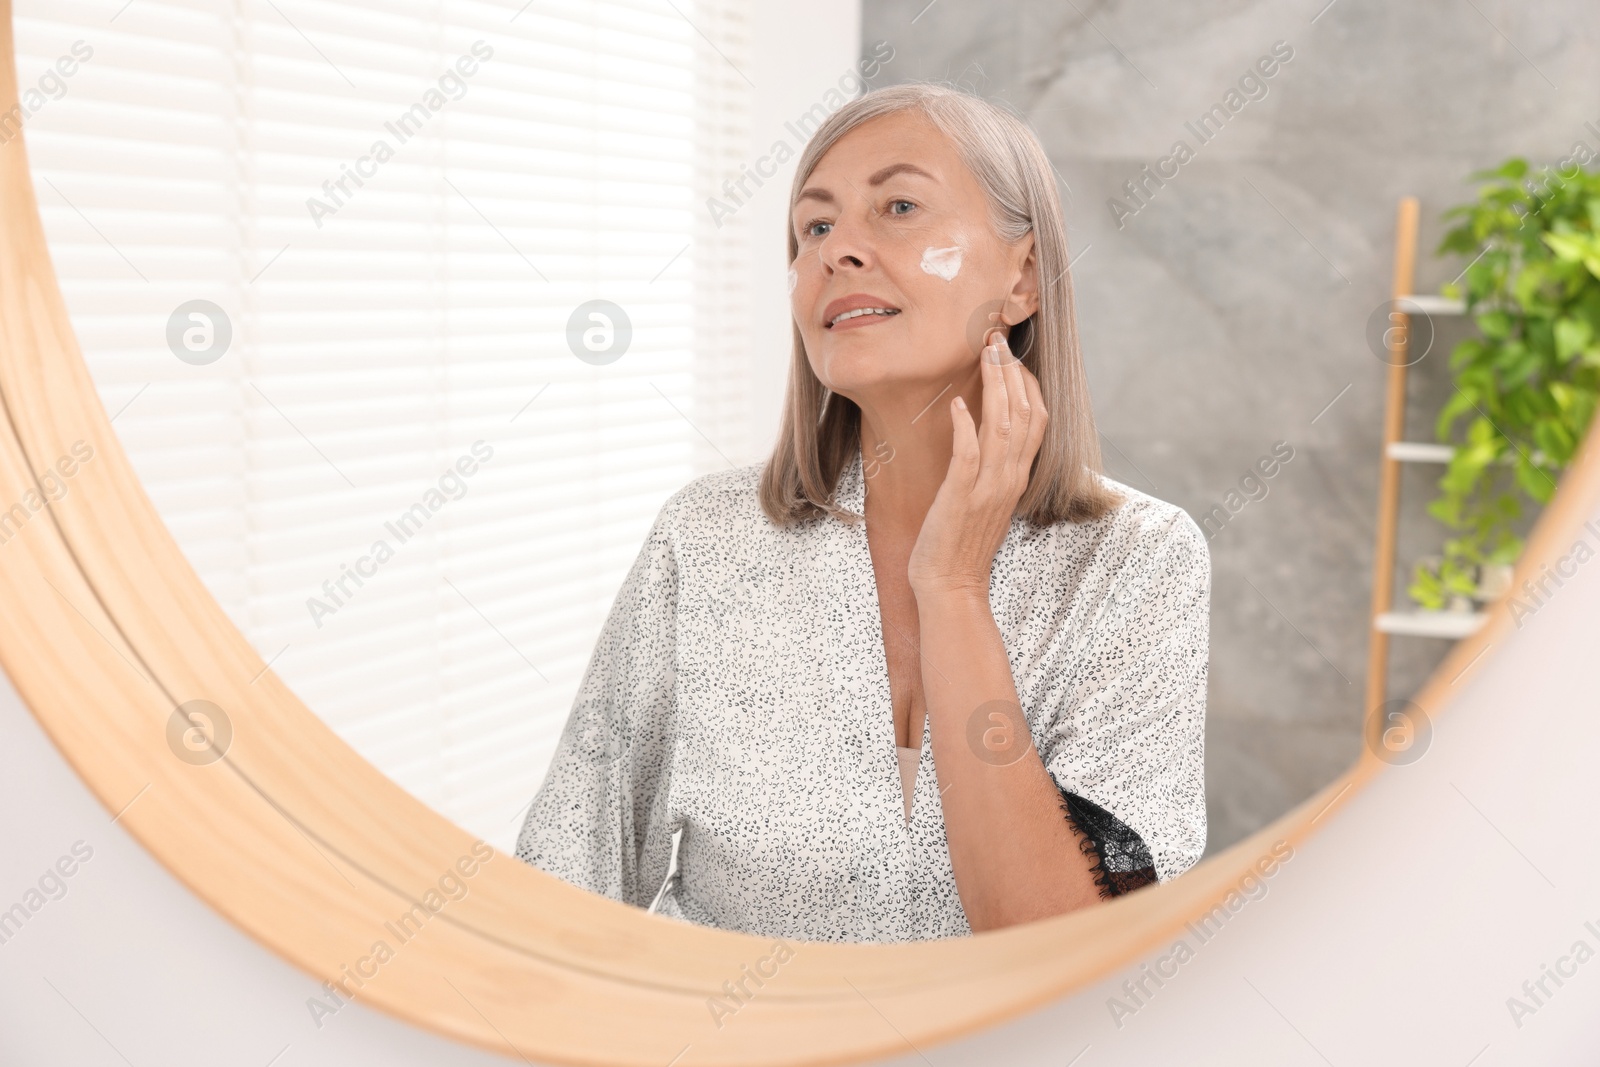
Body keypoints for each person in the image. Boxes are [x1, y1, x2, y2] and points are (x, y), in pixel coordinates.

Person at [516, 82, 1209, 942]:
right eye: (814, 226)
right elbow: (559, 887)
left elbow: (1071, 944)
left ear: (1023, 276)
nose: (838, 249)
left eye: (900, 206)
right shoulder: (704, 540)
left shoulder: (1138, 559)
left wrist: (951, 585)